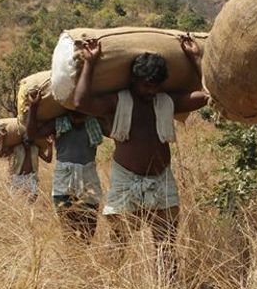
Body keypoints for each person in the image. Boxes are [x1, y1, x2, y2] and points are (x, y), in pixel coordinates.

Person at [72, 37, 207, 274]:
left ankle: (167, 287)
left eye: (156, 86)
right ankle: (109, 284)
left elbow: (207, 95)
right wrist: (90, 63)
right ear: (134, 80)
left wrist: (196, 59)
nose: (151, 91)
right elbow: (80, 101)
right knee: (119, 241)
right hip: (126, 179)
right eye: (146, 85)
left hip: (162, 179)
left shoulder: (167, 102)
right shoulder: (118, 101)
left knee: (166, 243)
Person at [25, 88, 107, 240]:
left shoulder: (94, 123)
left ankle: (83, 254)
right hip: (64, 181)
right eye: (73, 111)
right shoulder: (59, 123)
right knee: (68, 232)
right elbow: (31, 135)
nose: (77, 116)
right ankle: (71, 252)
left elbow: (118, 130)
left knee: (88, 231)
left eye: (80, 111)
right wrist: (33, 107)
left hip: (88, 179)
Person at [0, 123, 52, 202]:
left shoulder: (36, 148)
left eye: (29, 140)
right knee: (16, 201)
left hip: (31, 177)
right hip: (17, 177)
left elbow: (48, 160)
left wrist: (50, 146)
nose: (27, 142)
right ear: (22, 140)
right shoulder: (16, 147)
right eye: (25, 139)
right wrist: (2, 139)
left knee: (32, 199)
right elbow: (1, 154)